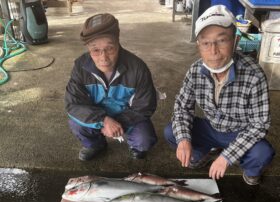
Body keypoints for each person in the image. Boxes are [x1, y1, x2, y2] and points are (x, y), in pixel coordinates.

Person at [164, 5, 275, 185]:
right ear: (199, 45)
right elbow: (181, 108)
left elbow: (259, 124)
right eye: (206, 43)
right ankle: (203, 154)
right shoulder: (194, 71)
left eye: (222, 41)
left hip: (240, 132)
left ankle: (249, 167)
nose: (213, 51)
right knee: (172, 131)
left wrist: (227, 157)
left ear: (236, 41)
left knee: (262, 153)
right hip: (211, 128)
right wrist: (184, 140)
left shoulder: (254, 75)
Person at [65, 13, 157, 161]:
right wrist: (104, 121)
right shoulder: (80, 66)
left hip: (127, 116)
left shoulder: (138, 68)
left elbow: (145, 106)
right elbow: (73, 104)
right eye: (95, 50)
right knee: (76, 123)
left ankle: (136, 146)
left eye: (110, 48)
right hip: (98, 116)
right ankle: (95, 144)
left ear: (118, 41)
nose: (103, 58)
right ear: (88, 49)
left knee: (144, 140)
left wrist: (118, 125)